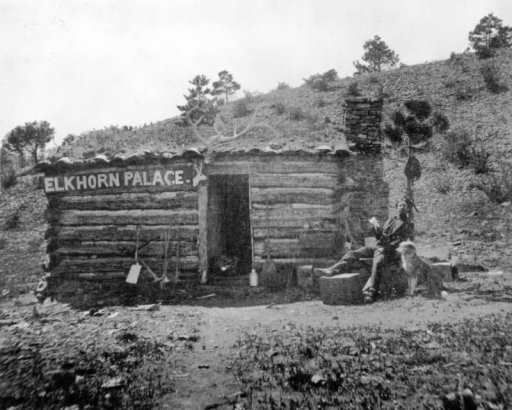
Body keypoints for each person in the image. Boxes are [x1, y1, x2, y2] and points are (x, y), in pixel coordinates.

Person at [314, 197, 415, 303]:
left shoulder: (408, 224)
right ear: (397, 207)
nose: (401, 207)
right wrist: (376, 229)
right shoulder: (391, 219)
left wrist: (385, 248)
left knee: (378, 262)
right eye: (400, 205)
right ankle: (331, 270)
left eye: (404, 206)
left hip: (389, 251)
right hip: (377, 246)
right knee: (353, 253)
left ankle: (372, 293)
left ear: (408, 209)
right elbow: (382, 236)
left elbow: (399, 241)